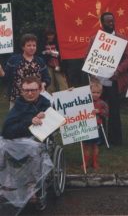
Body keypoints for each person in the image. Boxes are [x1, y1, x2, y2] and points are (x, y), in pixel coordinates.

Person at [0, 76, 53, 213]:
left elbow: (53, 127)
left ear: (40, 89)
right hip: (16, 139)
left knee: (34, 148)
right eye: (26, 90)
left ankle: (31, 186)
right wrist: (30, 121)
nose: (30, 93)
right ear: (21, 91)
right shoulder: (18, 105)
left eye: (33, 90)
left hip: (36, 141)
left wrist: (43, 120)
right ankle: (5, 183)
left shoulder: (46, 105)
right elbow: (6, 130)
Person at [96, 12, 128, 145]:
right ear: (102, 23)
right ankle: (100, 138)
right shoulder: (96, 39)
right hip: (99, 81)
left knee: (114, 109)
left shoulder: (122, 39)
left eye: (112, 21)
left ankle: (115, 139)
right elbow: (89, 56)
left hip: (115, 79)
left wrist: (119, 70)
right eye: (108, 22)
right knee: (98, 108)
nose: (111, 23)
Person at [1, 33, 51, 109]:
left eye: (34, 45)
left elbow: (47, 78)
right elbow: (6, 78)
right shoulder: (13, 60)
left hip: (36, 100)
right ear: (23, 47)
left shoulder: (40, 61)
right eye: (29, 45)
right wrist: (1, 71)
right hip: (17, 100)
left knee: (35, 120)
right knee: (15, 120)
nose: (32, 48)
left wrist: (44, 83)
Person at [82, 81, 109, 170]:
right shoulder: (84, 101)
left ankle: (95, 162)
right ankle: (85, 162)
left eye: (98, 93)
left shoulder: (102, 103)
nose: (95, 94)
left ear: (101, 93)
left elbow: (107, 113)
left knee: (95, 146)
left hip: (97, 127)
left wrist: (100, 111)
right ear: (89, 92)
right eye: (93, 92)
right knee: (85, 145)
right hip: (86, 127)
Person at [42, 28, 68, 93]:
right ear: (46, 35)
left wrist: (55, 53)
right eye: (49, 35)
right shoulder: (43, 43)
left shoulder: (58, 42)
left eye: (52, 35)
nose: (50, 36)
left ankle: (66, 98)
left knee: (62, 83)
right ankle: (50, 100)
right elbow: (41, 53)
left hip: (58, 65)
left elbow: (63, 53)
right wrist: (46, 53)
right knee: (50, 84)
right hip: (48, 65)